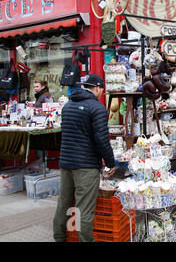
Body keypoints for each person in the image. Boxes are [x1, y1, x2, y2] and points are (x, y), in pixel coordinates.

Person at [53, 74, 116, 242]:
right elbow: (102, 140)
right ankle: (86, 240)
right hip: (86, 165)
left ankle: (59, 238)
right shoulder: (96, 107)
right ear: (97, 88)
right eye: (101, 89)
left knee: (64, 203)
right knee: (84, 208)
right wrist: (111, 163)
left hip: (66, 162)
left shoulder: (68, 105)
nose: (101, 92)